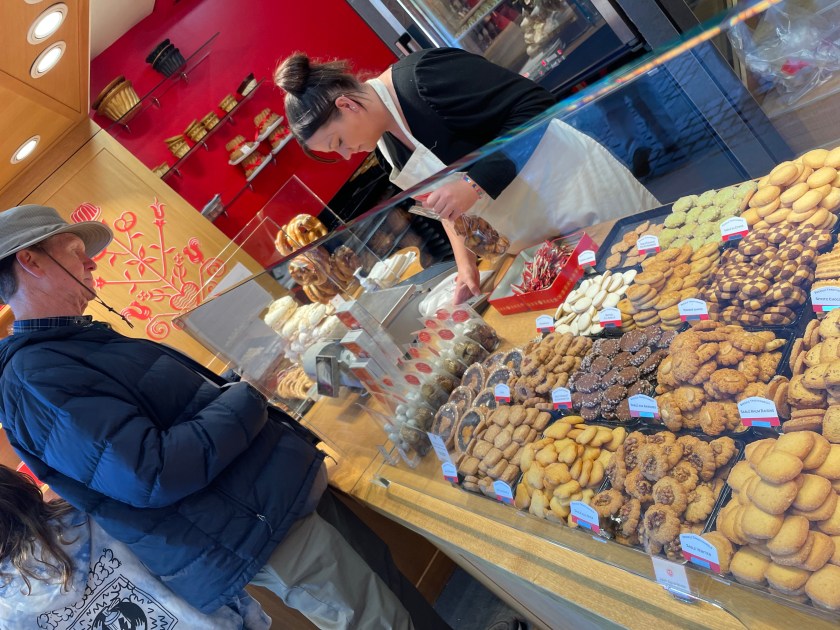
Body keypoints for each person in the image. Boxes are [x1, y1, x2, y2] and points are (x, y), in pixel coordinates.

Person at [0, 204, 451, 630]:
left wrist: (243, 375)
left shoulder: (68, 346)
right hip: (256, 528)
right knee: (383, 620)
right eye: (76, 252)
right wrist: (250, 392)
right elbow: (151, 472)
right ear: (31, 262)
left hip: (275, 500)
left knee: (392, 594)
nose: (92, 263)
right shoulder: (35, 377)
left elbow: (174, 414)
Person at [275, 47, 659, 304]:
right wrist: (466, 266)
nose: (347, 155)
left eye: (338, 141)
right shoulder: (385, 145)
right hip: (540, 238)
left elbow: (535, 107)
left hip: (575, 192)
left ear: (347, 105)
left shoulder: (424, 77)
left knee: (658, 280)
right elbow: (446, 206)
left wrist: (473, 184)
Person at [0, 464, 270, 629]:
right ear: (16, 486)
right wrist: (252, 618)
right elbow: (195, 568)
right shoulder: (100, 511)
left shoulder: (7, 614)